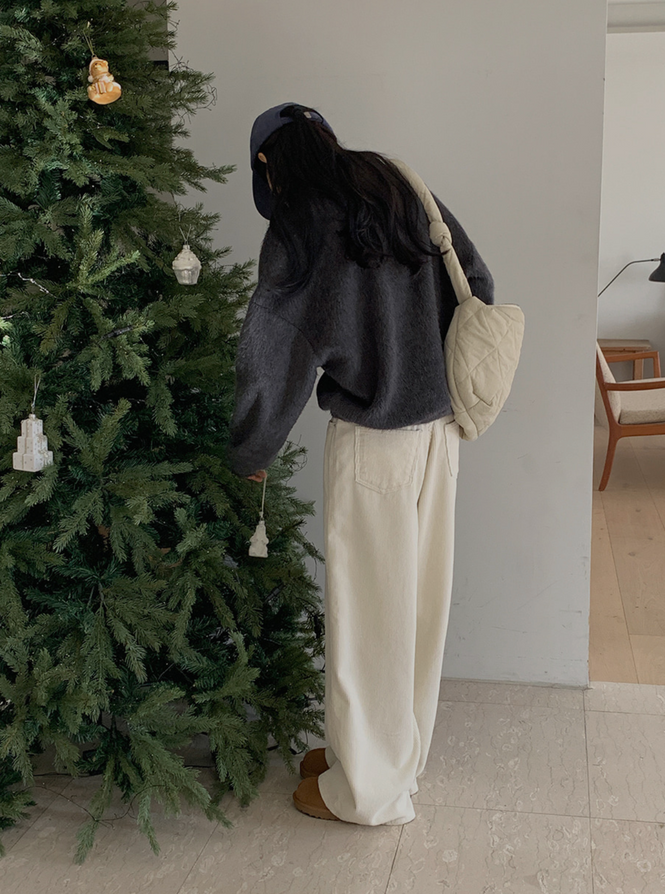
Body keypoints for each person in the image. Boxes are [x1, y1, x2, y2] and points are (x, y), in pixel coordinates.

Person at [227, 102, 494, 826]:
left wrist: (250, 450)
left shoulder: (301, 224)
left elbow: (273, 352)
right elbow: (477, 281)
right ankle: (386, 760)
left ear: (268, 164)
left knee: (370, 617)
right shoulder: (396, 183)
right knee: (419, 611)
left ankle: (367, 792)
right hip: (441, 434)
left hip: (375, 438)